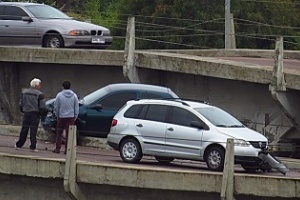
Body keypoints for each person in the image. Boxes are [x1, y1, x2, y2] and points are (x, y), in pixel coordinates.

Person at [15, 78, 47, 152]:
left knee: (24, 129)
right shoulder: (40, 94)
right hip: (35, 113)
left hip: (26, 113)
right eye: (39, 84)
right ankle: (33, 146)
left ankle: (19, 144)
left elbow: (21, 103)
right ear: (36, 85)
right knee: (33, 130)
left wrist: (23, 110)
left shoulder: (24, 92)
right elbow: (43, 106)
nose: (40, 86)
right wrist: (42, 113)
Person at [53, 80, 79, 154]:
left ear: (62, 87)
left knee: (59, 132)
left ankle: (58, 148)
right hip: (71, 116)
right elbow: (76, 107)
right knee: (69, 134)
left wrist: (57, 115)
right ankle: (67, 150)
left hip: (61, 116)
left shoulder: (59, 95)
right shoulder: (74, 95)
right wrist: (75, 116)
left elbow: (56, 106)